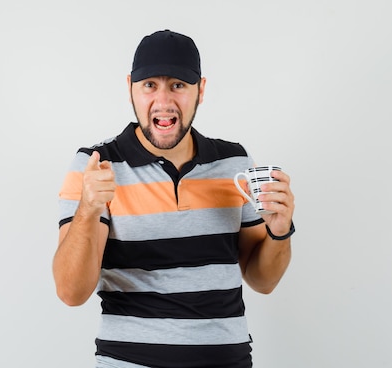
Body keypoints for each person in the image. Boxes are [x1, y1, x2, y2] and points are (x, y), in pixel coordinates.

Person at [52, 29, 296, 368]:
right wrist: (88, 209)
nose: (164, 101)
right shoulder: (96, 165)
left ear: (201, 91)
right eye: (150, 85)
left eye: (178, 85)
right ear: (130, 89)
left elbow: (263, 280)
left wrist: (279, 231)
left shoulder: (235, 163)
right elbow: (70, 292)